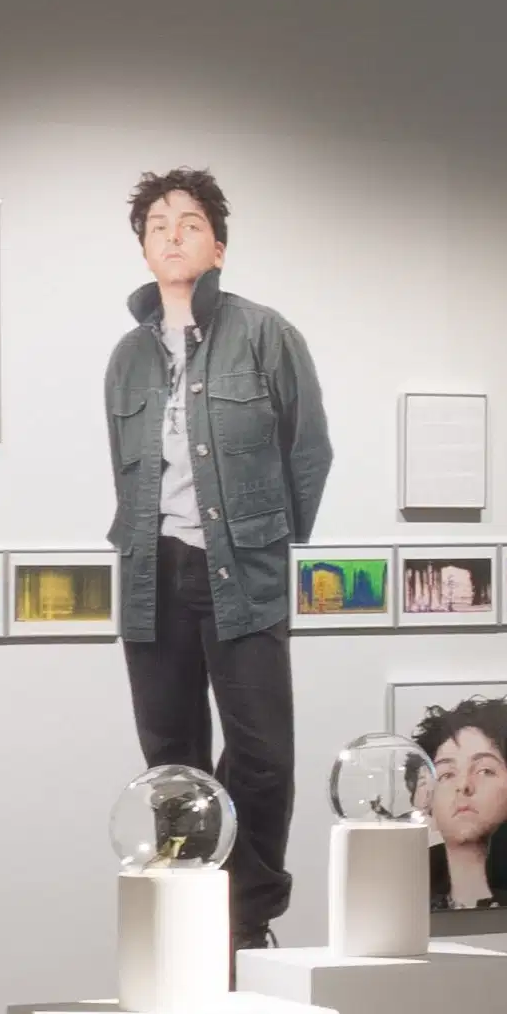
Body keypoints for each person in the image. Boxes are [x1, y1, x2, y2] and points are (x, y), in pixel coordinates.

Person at [103, 168, 331, 944]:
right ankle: (188, 904)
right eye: (158, 226)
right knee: (172, 758)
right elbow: (124, 471)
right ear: (144, 250)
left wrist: (267, 539)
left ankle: (247, 915)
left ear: (219, 247)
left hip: (242, 572)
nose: (173, 235)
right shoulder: (126, 359)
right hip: (151, 573)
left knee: (263, 754)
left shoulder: (266, 334)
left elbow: (309, 450)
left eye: (190, 223)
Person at [417, 694, 507, 920]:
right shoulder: (406, 889)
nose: (463, 785)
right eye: (447, 774)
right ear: (429, 809)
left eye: (485, 771)